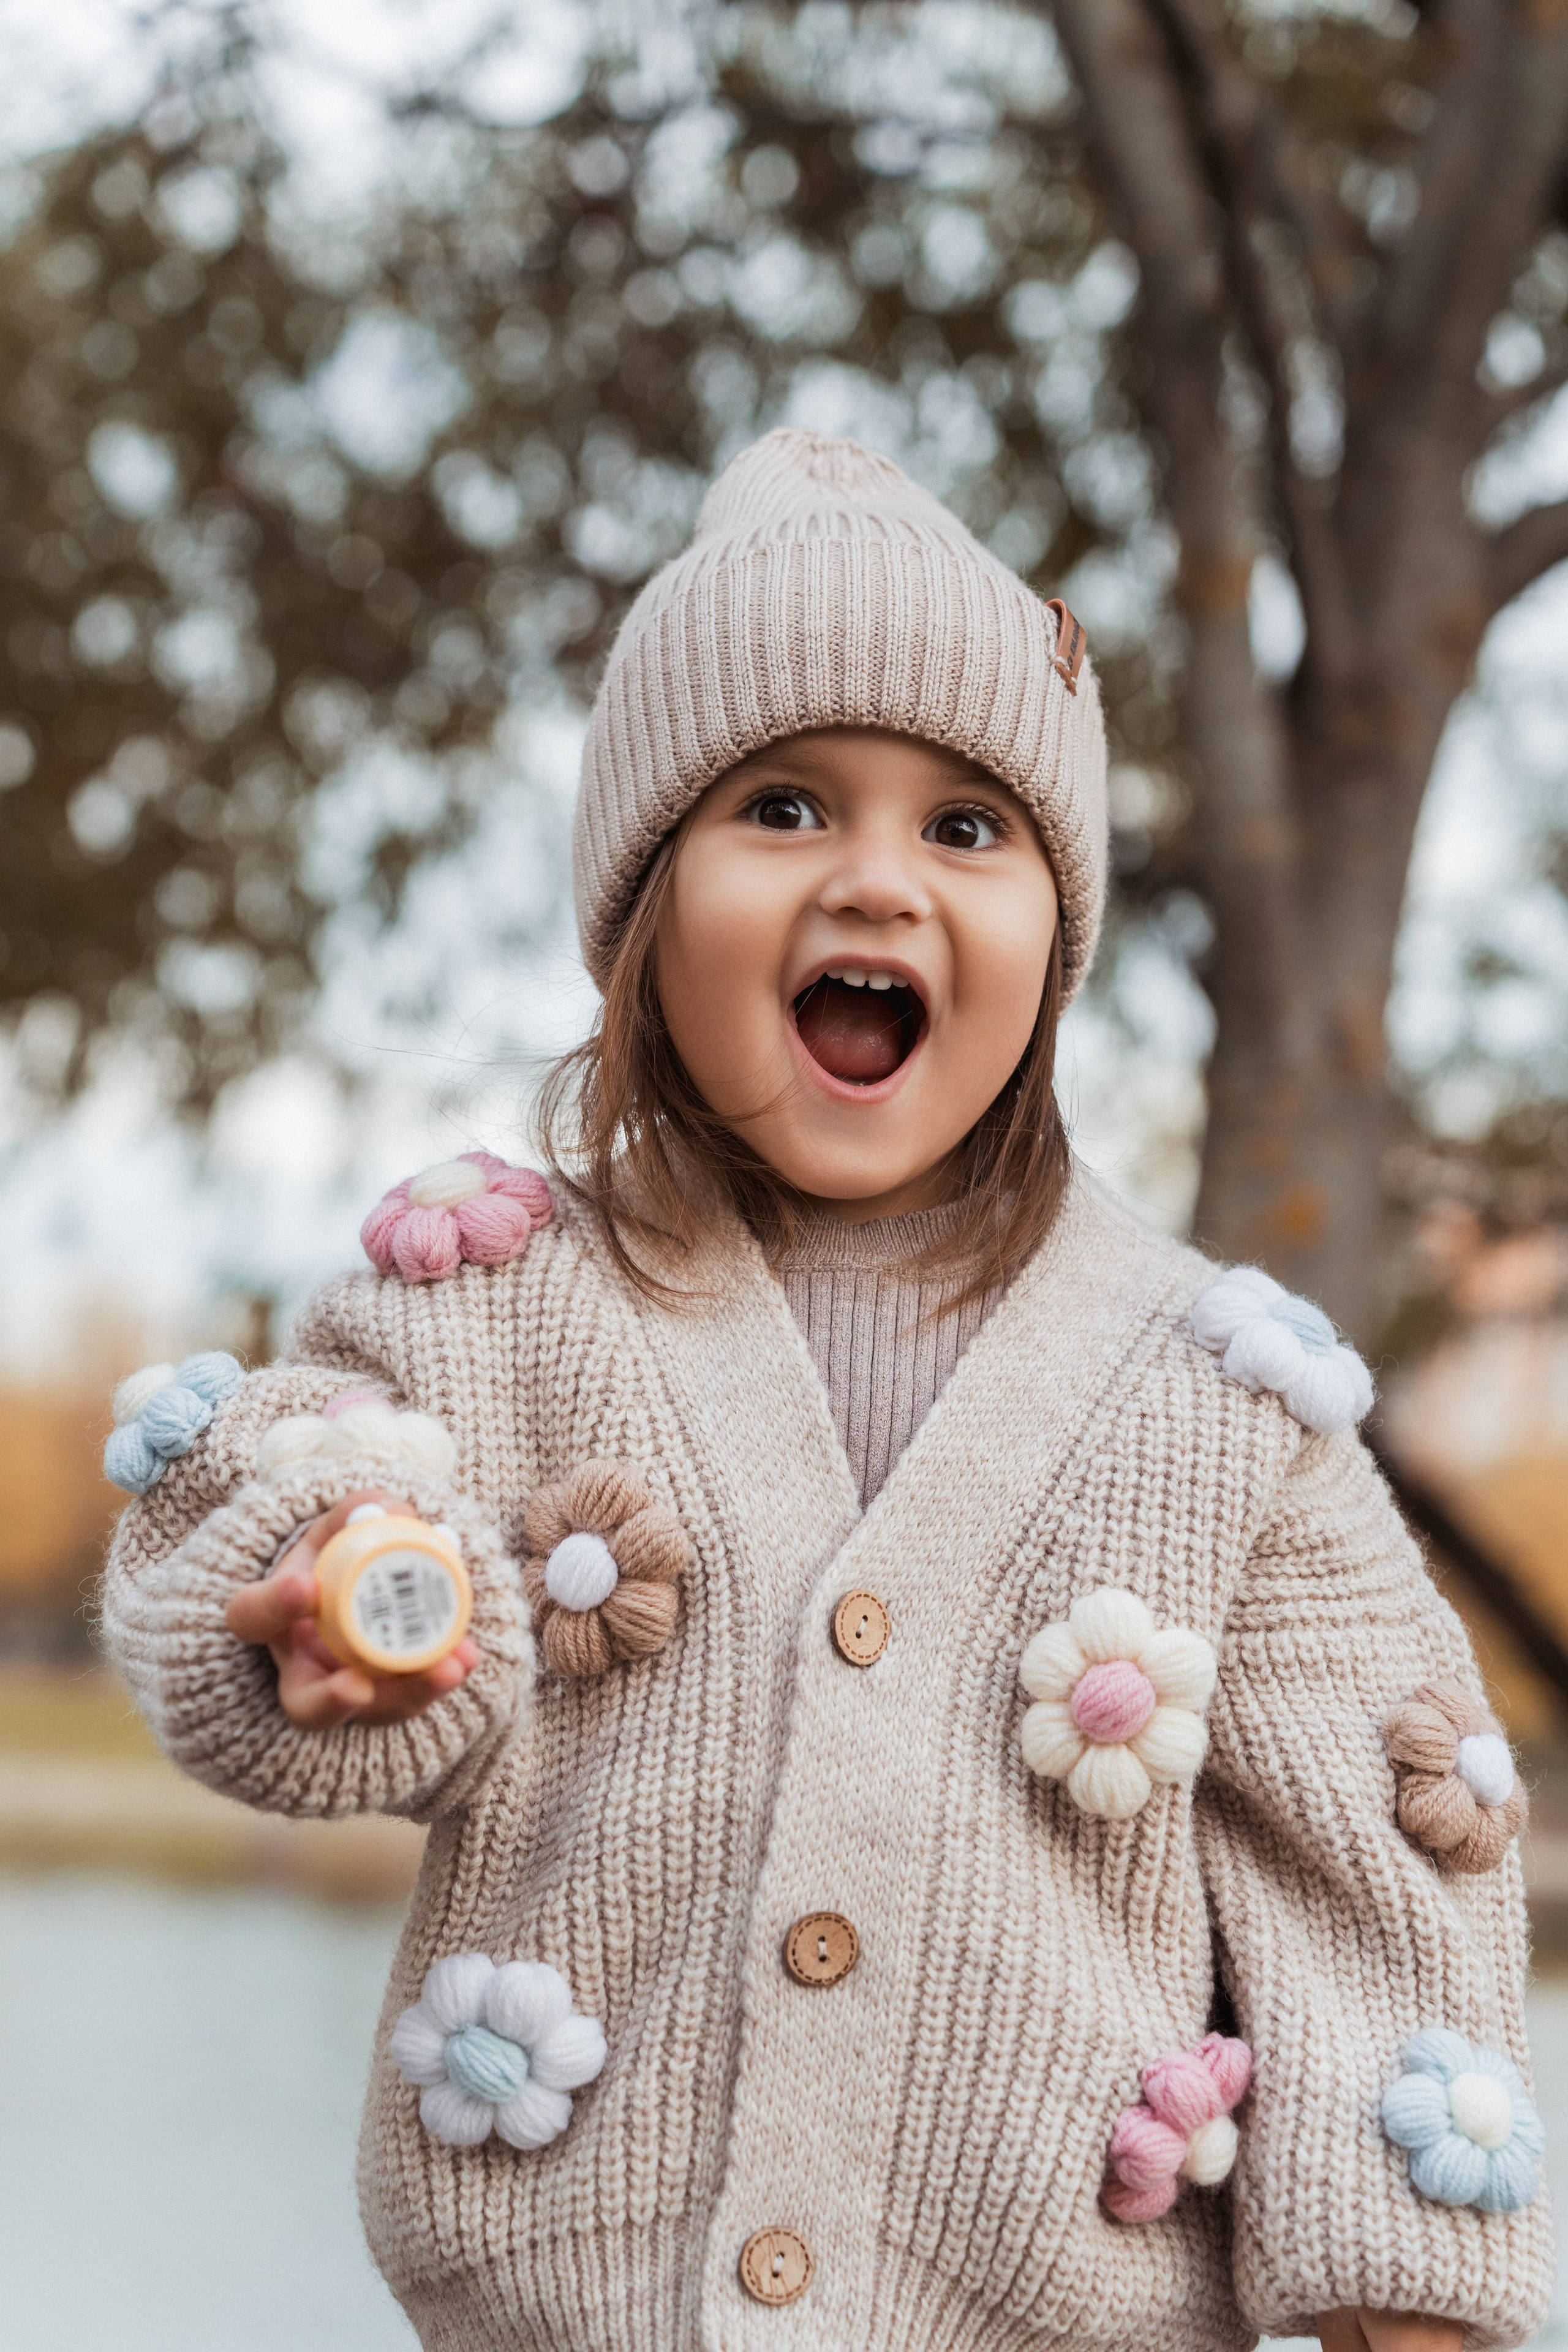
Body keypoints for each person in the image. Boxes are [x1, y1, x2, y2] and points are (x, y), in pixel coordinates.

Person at [102, 431, 1550, 2352]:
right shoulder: (495, 1295)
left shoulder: (1221, 1394)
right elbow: (301, 1490)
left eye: (969, 829)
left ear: (1053, 938)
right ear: (644, 912)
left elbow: (1385, 1890)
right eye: (782, 807)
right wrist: (330, 1602)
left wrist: (1407, 2307)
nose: (879, 879)